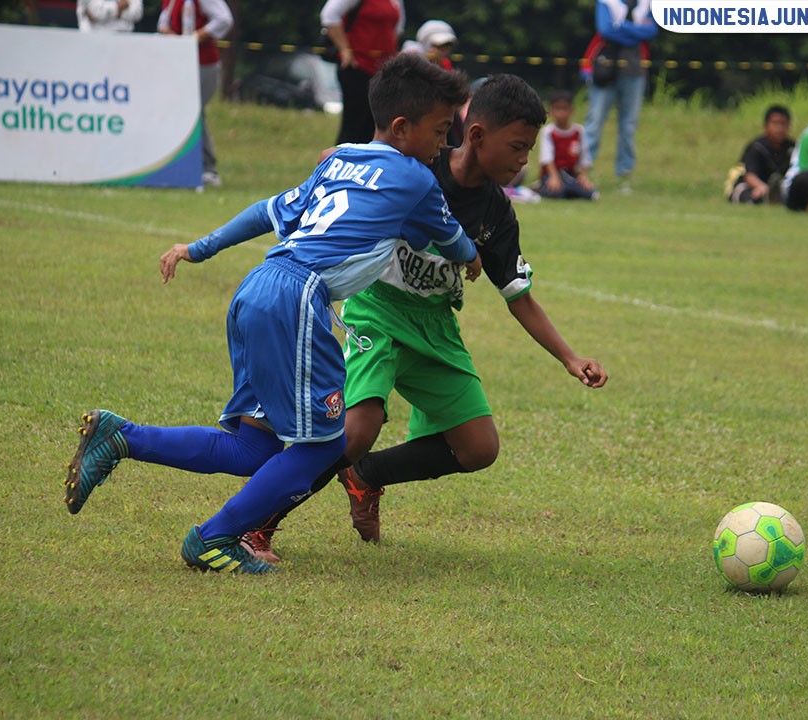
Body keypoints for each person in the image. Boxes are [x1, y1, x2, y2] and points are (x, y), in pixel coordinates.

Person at [62, 54, 478, 575]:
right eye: (441, 132)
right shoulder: (416, 177)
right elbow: (451, 237)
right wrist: (472, 256)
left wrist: (201, 247)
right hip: (298, 299)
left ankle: (122, 436)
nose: (444, 146)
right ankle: (213, 538)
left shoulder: (339, 159)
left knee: (253, 448)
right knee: (322, 446)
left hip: (257, 286)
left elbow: (269, 210)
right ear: (401, 128)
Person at [238, 74, 608, 559]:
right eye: (517, 147)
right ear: (475, 135)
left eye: (528, 149)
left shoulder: (496, 214)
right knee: (355, 431)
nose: (523, 161)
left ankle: (366, 475)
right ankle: (256, 524)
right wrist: (337, 156)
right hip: (379, 311)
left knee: (479, 448)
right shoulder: (418, 170)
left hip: (435, 326)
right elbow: (369, 155)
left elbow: (518, 296)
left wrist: (569, 356)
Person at [581, 0, 658, 193]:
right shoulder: (607, 2)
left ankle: (624, 174)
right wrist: (635, 31)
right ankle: (582, 170)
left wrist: (621, 26)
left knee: (629, 125)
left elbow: (651, 32)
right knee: (595, 121)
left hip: (634, 71)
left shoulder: (646, 4)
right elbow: (605, 29)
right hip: (605, 69)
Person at [158, 0, 233, 188]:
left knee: (194, 112)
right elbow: (164, 21)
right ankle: (183, 163)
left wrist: (196, 36)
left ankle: (209, 168)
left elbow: (224, 19)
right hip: (180, 62)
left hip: (203, 63)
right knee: (185, 112)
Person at [321, 0, 405, 145]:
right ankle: (342, 162)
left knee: (375, 127)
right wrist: (344, 49)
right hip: (357, 67)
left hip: (382, 72)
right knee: (354, 126)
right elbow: (329, 16)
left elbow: (397, 28)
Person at [533, 89, 598, 201]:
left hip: (570, 174)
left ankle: (569, 189)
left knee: (589, 193)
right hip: (552, 174)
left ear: (571, 110)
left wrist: (584, 176)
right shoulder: (549, 132)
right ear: (551, 111)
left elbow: (584, 157)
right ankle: (541, 187)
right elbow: (547, 158)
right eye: (558, 109)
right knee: (556, 191)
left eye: (564, 109)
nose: (561, 113)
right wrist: (553, 177)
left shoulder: (579, 131)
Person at [726, 104, 795, 205]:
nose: (779, 128)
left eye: (783, 124)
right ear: (766, 125)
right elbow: (749, 175)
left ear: (788, 126)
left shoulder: (792, 148)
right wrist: (762, 188)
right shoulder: (757, 147)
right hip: (752, 185)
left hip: (780, 189)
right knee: (750, 196)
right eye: (775, 123)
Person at [77, 0, 142, 32]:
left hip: (124, 38)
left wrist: (105, 10)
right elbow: (96, 13)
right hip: (92, 37)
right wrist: (118, 7)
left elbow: (137, 13)